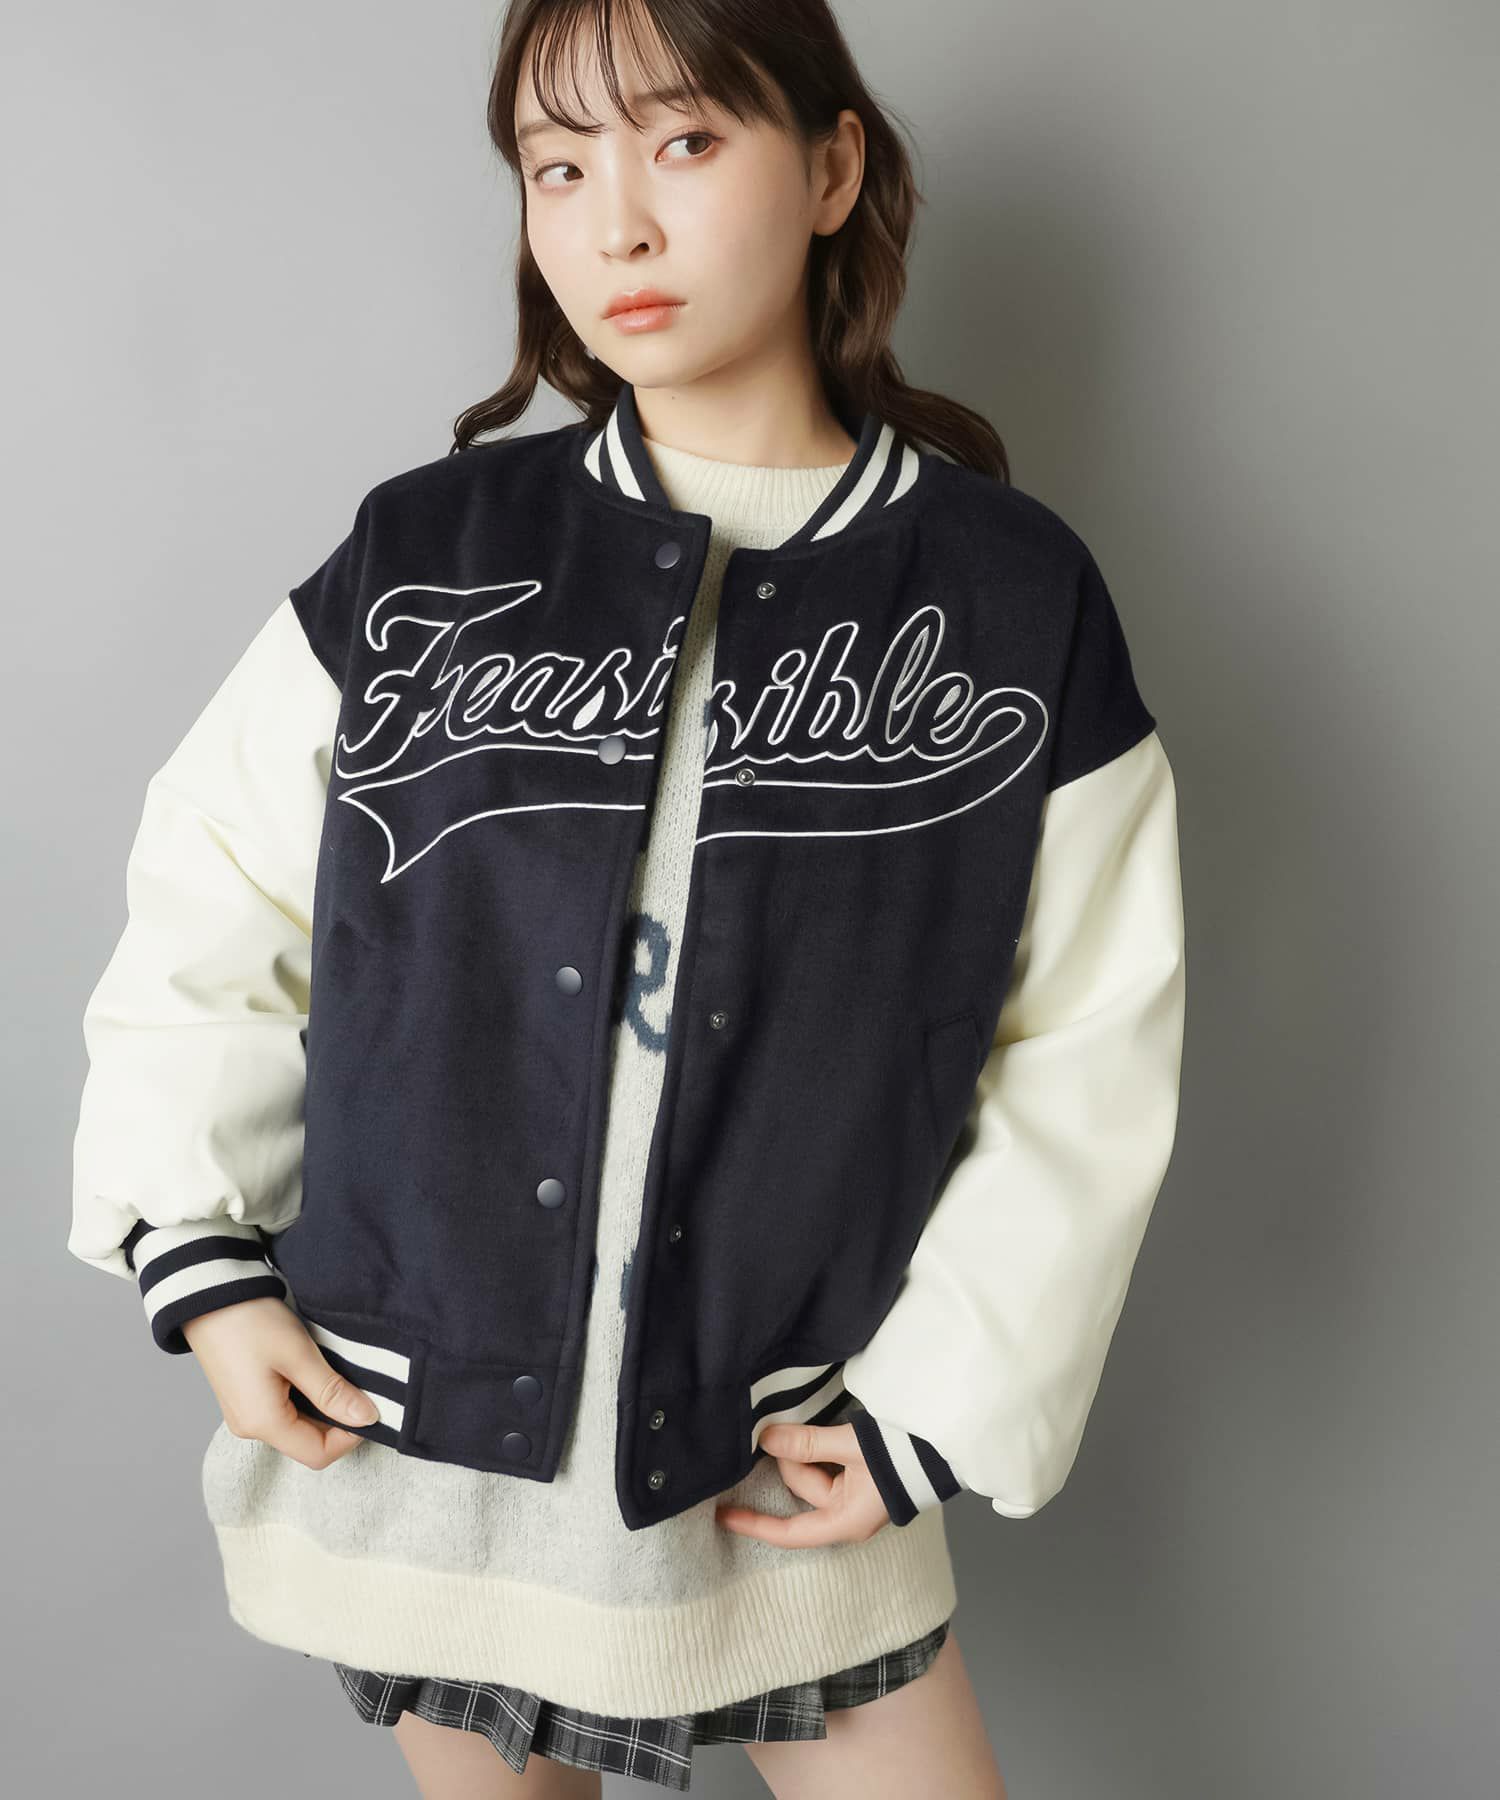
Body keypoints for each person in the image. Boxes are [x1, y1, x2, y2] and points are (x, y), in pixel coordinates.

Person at [68, 1, 1186, 1794]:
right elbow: (215, 893)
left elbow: (1091, 1041)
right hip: (424, 1443)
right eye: (557, 167)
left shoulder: (1007, 600)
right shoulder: (432, 555)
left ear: (831, 167)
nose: (618, 227)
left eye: (685, 143)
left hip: (778, 1444)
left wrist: (934, 1408)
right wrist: (202, 1264)